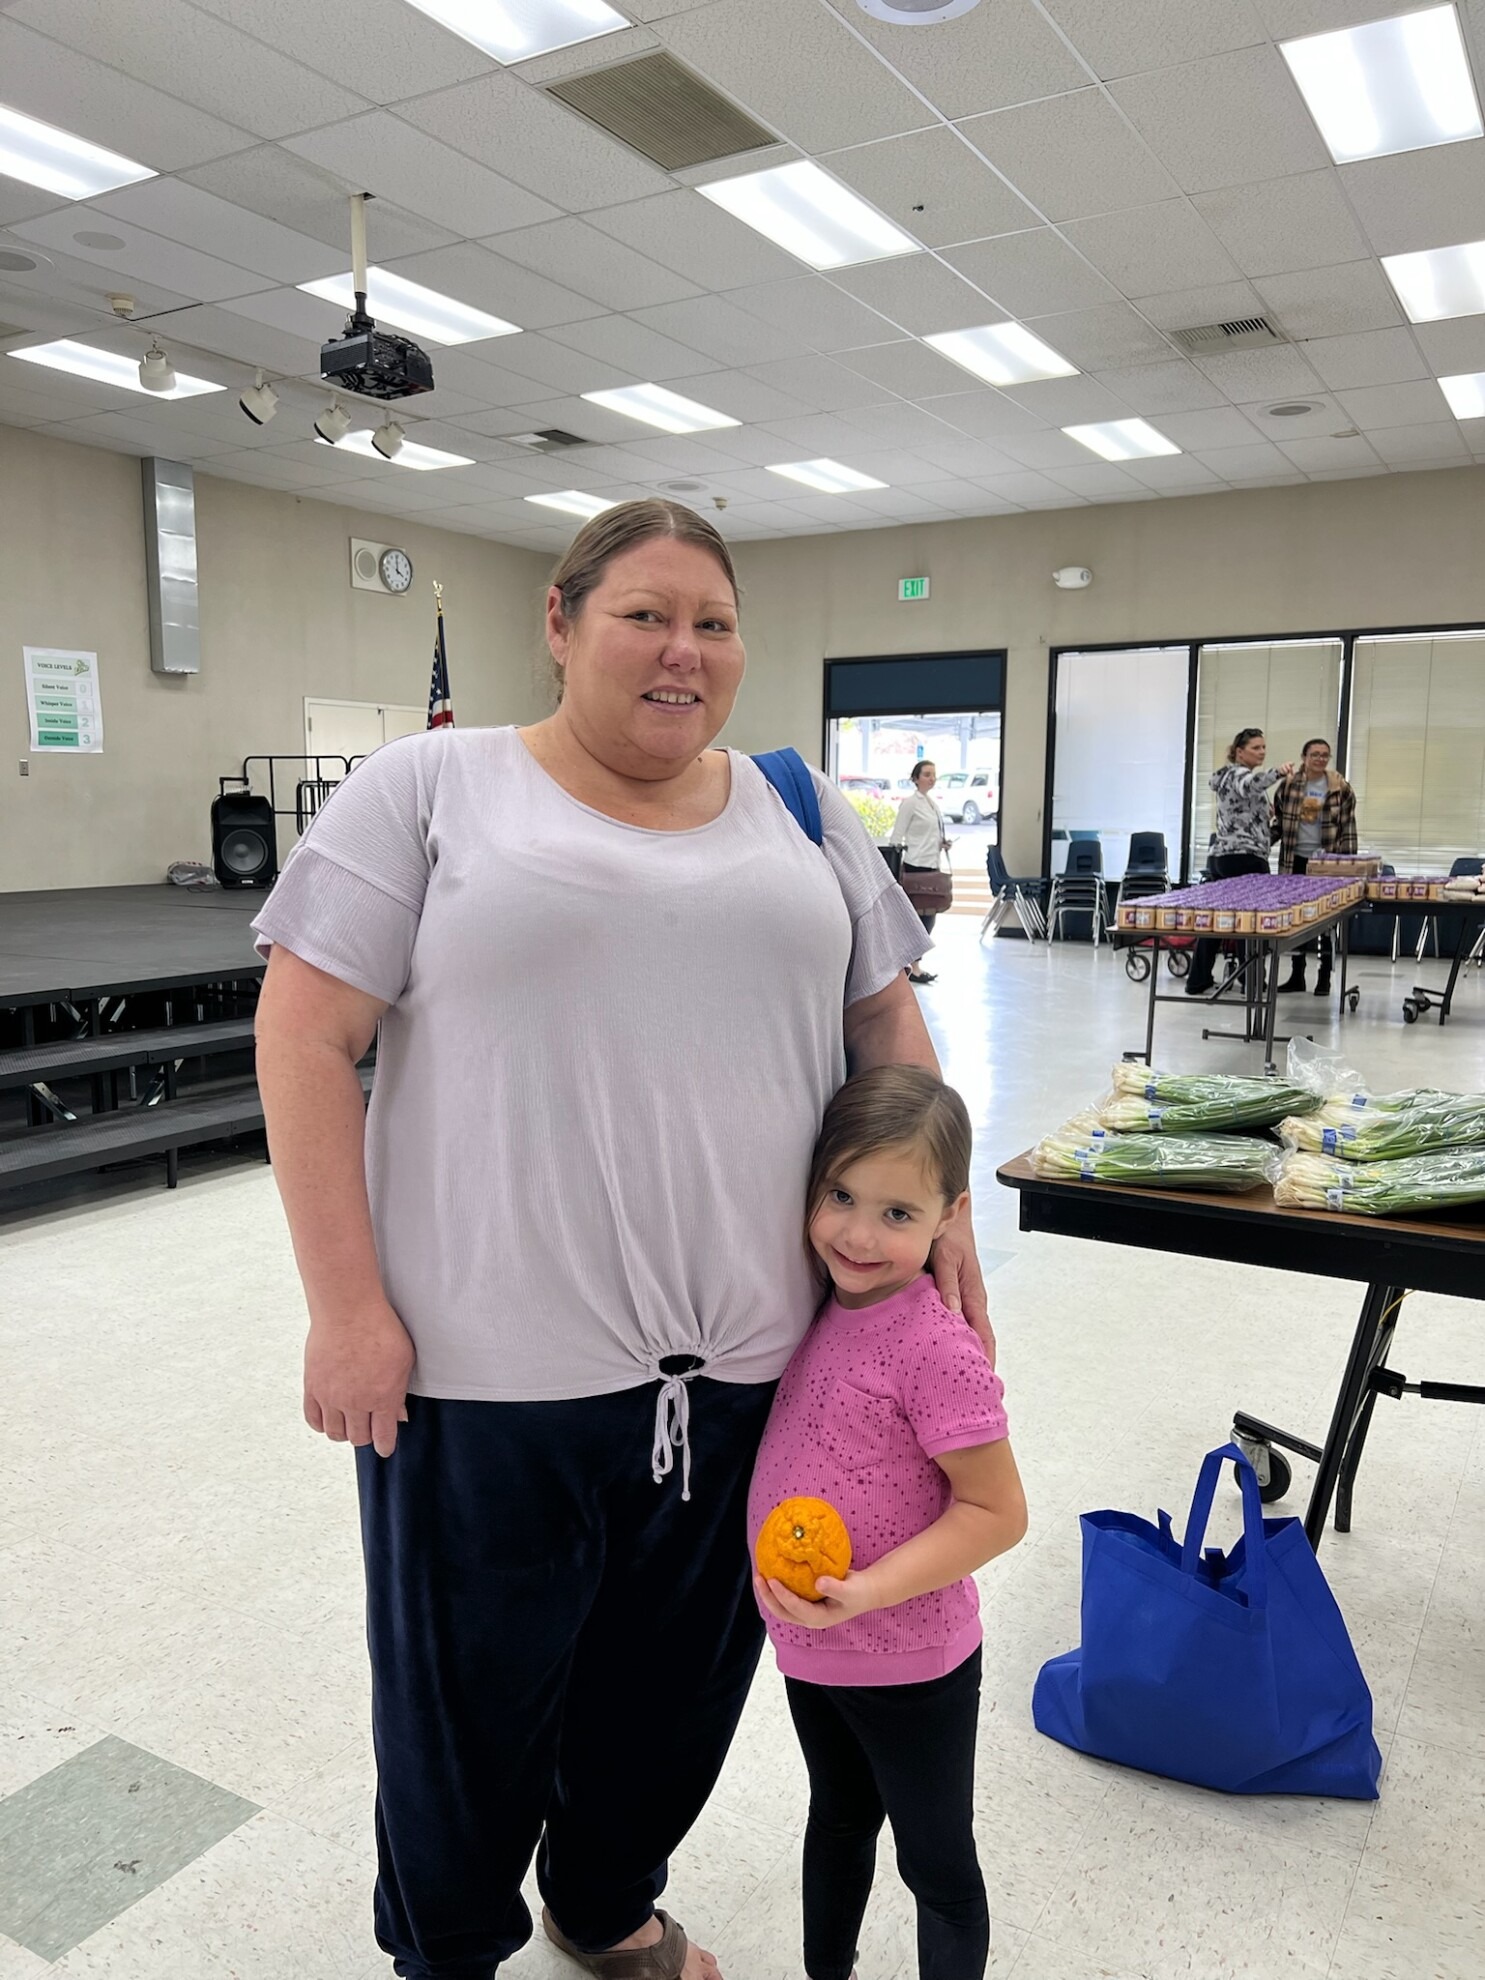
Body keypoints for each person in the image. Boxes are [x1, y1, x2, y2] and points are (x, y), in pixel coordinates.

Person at [250, 498, 992, 1980]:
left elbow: (879, 1019)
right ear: (561, 620)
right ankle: (449, 1948)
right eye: (645, 614)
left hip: (755, 1364)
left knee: (677, 1692)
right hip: (484, 1375)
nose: (682, 650)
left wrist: (944, 1211)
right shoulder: (433, 788)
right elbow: (304, 1032)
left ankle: (598, 1900)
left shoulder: (795, 804)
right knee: (469, 1709)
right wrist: (346, 1309)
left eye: (712, 622)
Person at [750, 1066, 1026, 1980]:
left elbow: (997, 1511)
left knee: (935, 1865)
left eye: (898, 1215)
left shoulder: (934, 1347)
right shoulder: (813, 1304)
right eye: (839, 1195)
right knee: (835, 1817)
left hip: (912, 1659)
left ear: (950, 1216)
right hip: (810, 1645)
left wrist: (863, 1592)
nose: (859, 1235)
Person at [1184, 727, 1293, 997]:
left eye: (1264, 747)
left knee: (1218, 919)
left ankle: (1198, 980)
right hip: (1245, 858)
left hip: (1222, 856)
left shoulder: (1226, 778)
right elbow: (1252, 784)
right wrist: (1278, 773)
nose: (1262, 752)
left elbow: (1252, 822)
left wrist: (1273, 825)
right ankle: (1252, 980)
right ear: (1239, 751)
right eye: (1256, 747)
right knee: (1251, 922)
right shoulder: (1239, 774)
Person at [1272, 738, 1358, 997]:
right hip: (1294, 860)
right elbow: (1278, 821)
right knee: (1296, 918)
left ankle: (1324, 977)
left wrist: (1346, 864)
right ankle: (1297, 975)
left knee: (1325, 920)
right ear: (1304, 756)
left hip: (1326, 862)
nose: (1320, 759)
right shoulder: (1289, 785)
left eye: (1325, 755)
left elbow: (1348, 828)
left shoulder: (1339, 787)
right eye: (1315, 755)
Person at [890, 759, 950, 985]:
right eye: (926, 774)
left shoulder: (932, 804)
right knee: (916, 919)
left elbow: (929, 835)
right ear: (915, 778)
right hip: (916, 866)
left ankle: (914, 964)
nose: (931, 778)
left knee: (929, 918)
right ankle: (910, 967)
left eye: (934, 774)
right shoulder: (910, 803)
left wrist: (942, 844)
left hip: (931, 863)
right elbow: (897, 836)